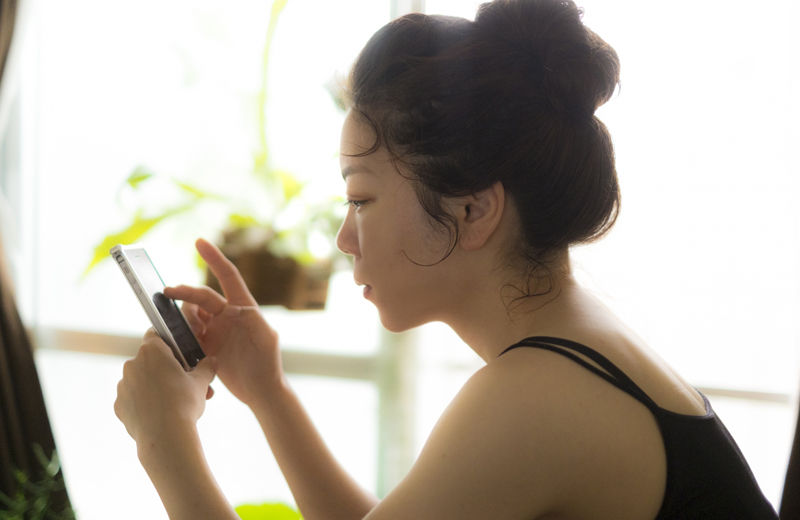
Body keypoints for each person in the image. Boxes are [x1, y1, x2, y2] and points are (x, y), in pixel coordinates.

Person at [114, 0, 779, 518]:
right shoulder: (576, 347)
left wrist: (164, 442)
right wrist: (269, 392)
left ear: (473, 210)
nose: (345, 238)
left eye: (361, 200)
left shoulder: (534, 396)